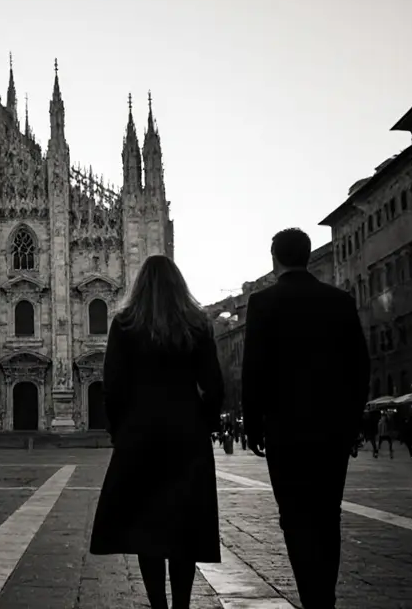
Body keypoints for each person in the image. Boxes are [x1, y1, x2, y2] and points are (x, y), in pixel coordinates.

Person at [241, 228, 370, 609]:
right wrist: (352, 422)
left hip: (284, 431)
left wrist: (252, 426)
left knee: (294, 516)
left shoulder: (262, 303)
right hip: (333, 431)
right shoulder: (340, 302)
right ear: (309, 255)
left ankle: (310, 596)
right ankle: (324, 598)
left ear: (274, 258)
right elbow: (360, 368)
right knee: (329, 515)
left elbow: (253, 370)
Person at [89, 254, 225, 609]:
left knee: (145, 525)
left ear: (139, 285)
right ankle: (181, 605)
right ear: (179, 284)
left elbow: (113, 385)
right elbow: (213, 385)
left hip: (139, 434)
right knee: (184, 525)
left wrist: (120, 431)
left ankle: (159, 607)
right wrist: (206, 424)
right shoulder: (197, 323)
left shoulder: (125, 323)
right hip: (187, 435)